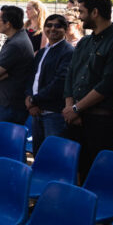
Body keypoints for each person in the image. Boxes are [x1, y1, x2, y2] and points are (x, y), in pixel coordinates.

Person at [62, 0, 113, 176]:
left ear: (95, 12)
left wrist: (77, 108)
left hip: (101, 122)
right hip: (76, 119)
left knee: (96, 174)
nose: (80, 16)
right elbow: (71, 75)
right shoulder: (85, 41)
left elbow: (108, 85)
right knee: (74, 170)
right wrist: (71, 108)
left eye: (83, 12)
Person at [26, 14, 74, 154]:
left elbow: (60, 82)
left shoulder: (68, 52)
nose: (52, 29)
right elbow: (32, 77)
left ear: (65, 29)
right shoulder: (42, 52)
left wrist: (34, 100)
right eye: (49, 25)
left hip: (54, 114)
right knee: (38, 153)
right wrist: (29, 96)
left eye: (58, 26)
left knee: (52, 156)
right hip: (36, 112)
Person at [0, 5, 35, 125]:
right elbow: (0, 68)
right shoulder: (16, 38)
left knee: (7, 138)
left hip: (11, 103)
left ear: (8, 24)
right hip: (9, 101)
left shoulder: (16, 43)